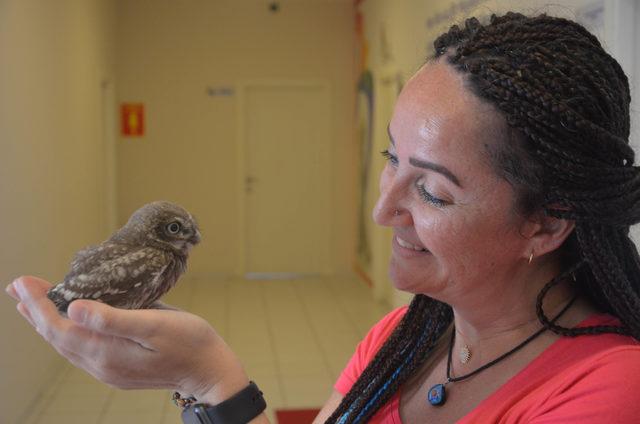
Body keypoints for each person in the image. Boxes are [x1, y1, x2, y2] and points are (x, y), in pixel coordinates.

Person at [6, 12, 640, 423]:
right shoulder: (399, 340)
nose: (381, 208)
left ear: (547, 224)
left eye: (435, 193)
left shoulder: (609, 393)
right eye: (392, 158)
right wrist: (200, 378)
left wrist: (209, 378)